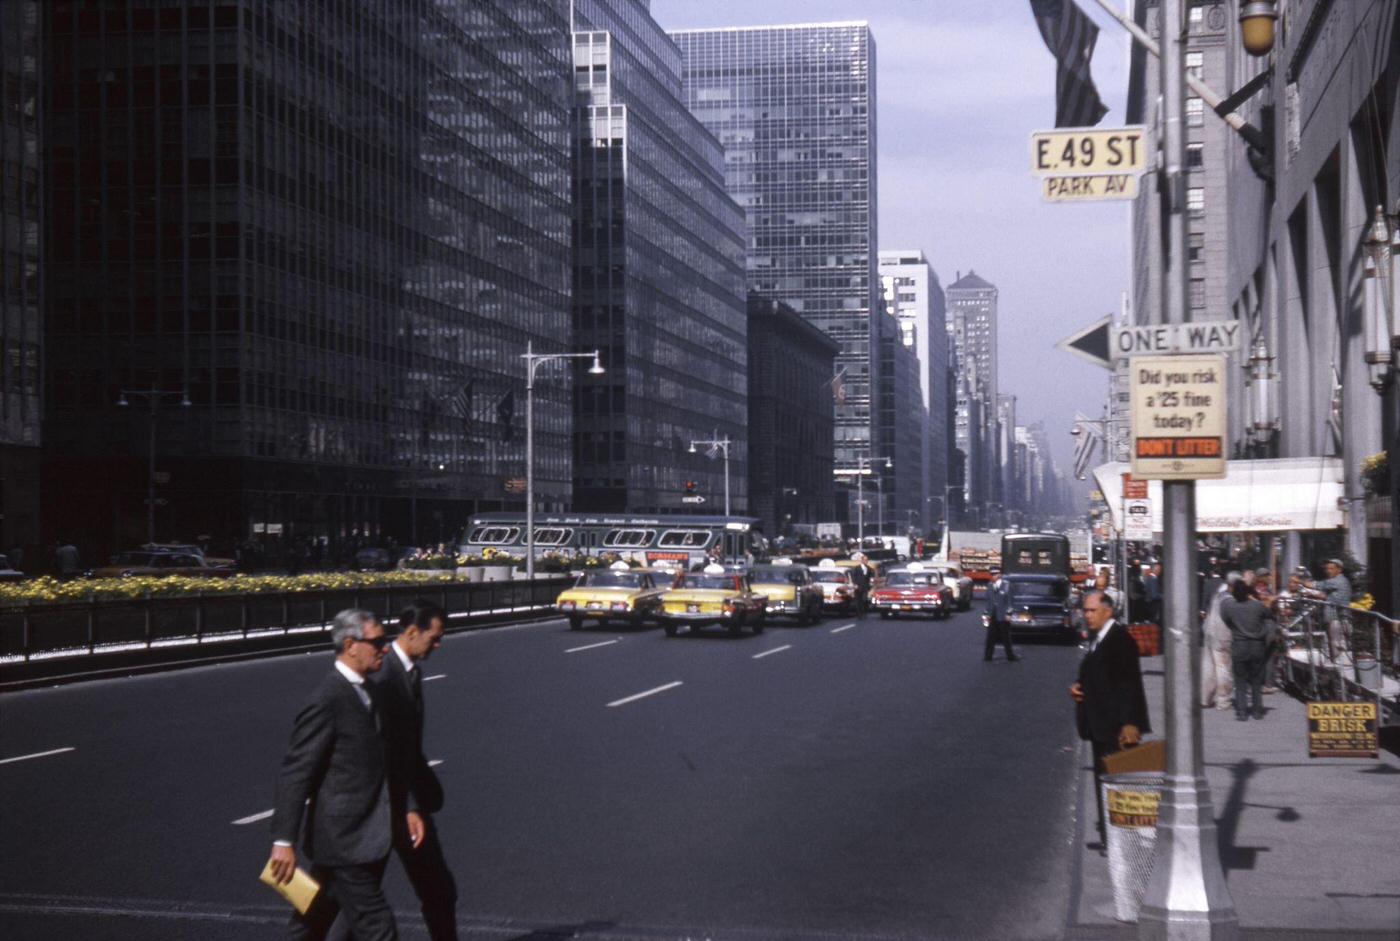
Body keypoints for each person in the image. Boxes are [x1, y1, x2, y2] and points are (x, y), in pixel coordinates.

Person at [268, 609, 402, 940]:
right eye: (378, 642)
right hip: (345, 839)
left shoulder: (369, 690)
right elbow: (296, 772)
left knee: (312, 920)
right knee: (378, 927)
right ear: (350, 644)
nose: (385, 648)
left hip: (357, 835)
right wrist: (284, 840)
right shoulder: (328, 698)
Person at [369, 602, 458, 940]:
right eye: (434, 639)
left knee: (439, 890)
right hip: (384, 808)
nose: (438, 646)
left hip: (407, 804)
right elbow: (384, 751)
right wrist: (407, 806)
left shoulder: (410, 671)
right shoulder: (383, 675)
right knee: (353, 904)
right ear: (411, 632)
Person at [1070, 589, 1150, 848]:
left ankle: (1121, 840)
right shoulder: (1099, 638)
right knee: (1105, 783)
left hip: (1115, 727)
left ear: (1108, 611)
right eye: (1085, 610)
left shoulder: (1119, 640)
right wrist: (1078, 687)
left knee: (1118, 785)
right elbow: (1098, 675)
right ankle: (1112, 838)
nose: (1087, 615)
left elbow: (1128, 683)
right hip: (1100, 724)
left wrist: (1130, 723)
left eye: (1092, 611)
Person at [1219, 578, 1276, 721]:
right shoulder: (1257, 606)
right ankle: (1257, 711)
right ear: (1247, 592)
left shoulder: (1229, 606)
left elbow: (1226, 620)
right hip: (1257, 645)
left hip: (1239, 645)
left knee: (1240, 680)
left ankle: (1242, 712)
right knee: (1256, 680)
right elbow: (1270, 615)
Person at [1199, 572, 1236, 710]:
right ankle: (1223, 701)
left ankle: (1205, 699)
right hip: (1222, 636)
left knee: (1208, 666)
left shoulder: (1219, 594)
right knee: (1223, 669)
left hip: (1209, 630)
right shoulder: (1230, 599)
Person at [983, 566, 1019, 662]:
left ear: (999, 575)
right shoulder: (990, 585)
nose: (993, 576)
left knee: (1005, 637)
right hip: (993, 614)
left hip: (1003, 614)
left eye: (995, 574)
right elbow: (988, 601)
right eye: (991, 574)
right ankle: (988, 656)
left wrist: (1009, 613)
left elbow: (1010, 601)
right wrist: (986, 614)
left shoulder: (1007, 585)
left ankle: (1010, 656)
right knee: (990, 637)